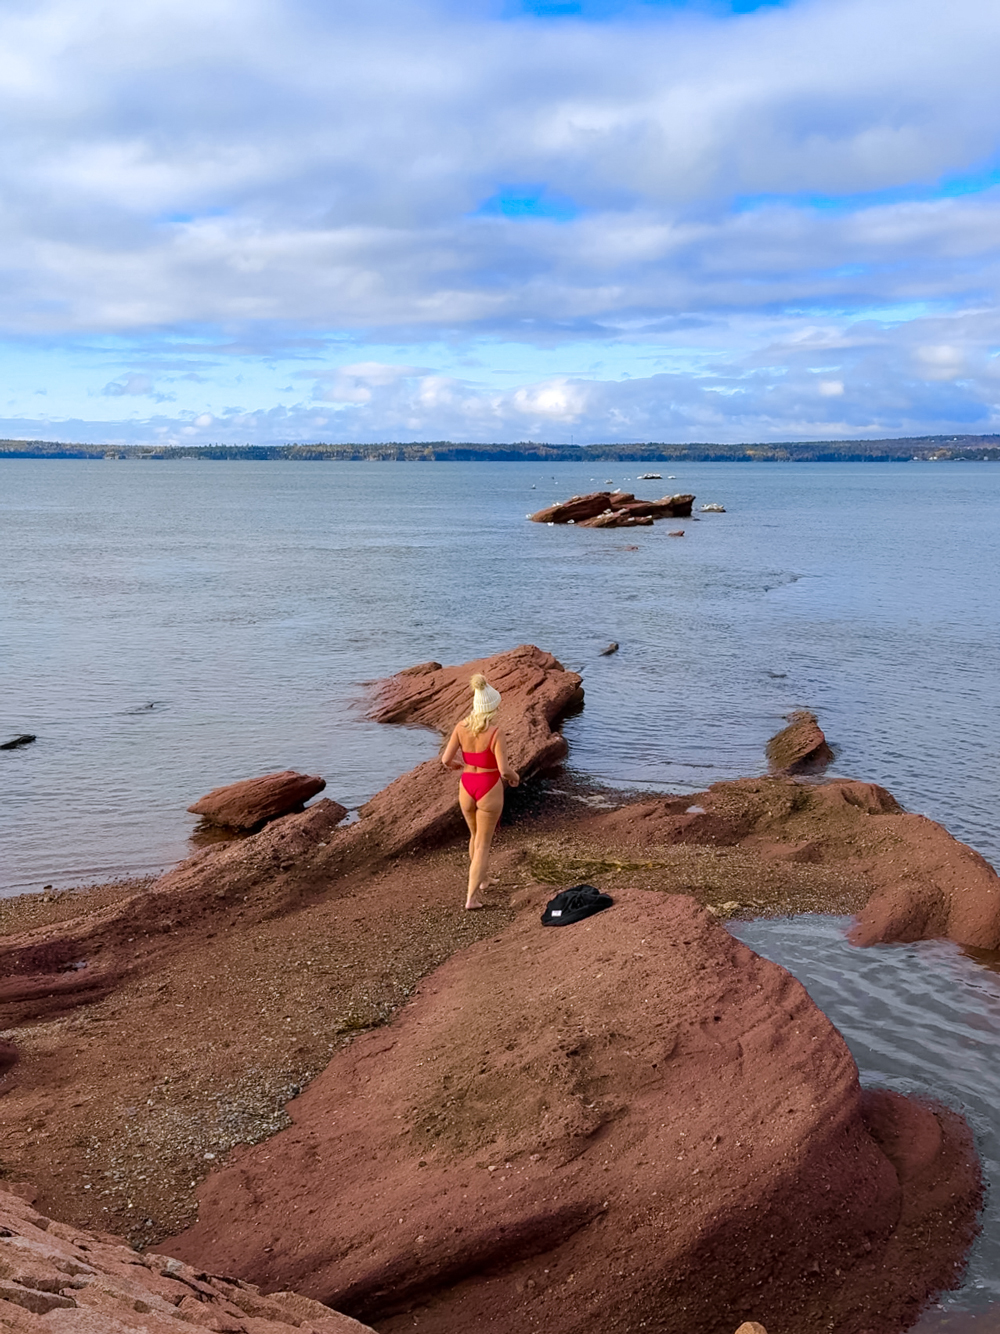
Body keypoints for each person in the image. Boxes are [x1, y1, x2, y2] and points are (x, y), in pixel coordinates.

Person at [441, 673, 520, 909]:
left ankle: (483, 879)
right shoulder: (496, 733)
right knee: (484, 843)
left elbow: (446, 760)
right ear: (492, 708)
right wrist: (516, 778)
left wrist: (462, 766)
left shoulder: (460, 727)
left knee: (475, 837)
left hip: (467, 785)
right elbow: (504, 770)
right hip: (488, 786)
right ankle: (471, 898)